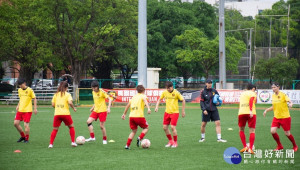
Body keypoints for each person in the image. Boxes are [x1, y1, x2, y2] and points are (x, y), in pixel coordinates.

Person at [263, 82, 298, 152]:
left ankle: (295, 145)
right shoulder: (273, 96)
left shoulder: (283, 95)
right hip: (276, 117)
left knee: (287, 133)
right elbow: (273, 106)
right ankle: (280, 146)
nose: (273, 89)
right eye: (272, 87)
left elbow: (290, 101)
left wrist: (290, 104)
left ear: (278, 87)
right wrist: (266, 110)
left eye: (274, 87)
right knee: (272, 131)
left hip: (285, 117)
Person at [155, 81, 186, 148]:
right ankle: (170, 141)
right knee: (165, 128)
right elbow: (159, 99)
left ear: (172, 87)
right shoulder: (165, 92)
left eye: (168, 88)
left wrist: (183, 111)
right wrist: (157, 107)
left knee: (172, 127)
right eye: (166, 88)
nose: (167, 90)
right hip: (167, 112)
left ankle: (175, 142)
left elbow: (183, 100)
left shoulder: (176, 92)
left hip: (175, 112)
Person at [122, 85, 151, 149]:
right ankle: (140, 137)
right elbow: (145, 100)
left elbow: (127, 105)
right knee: (146, 128)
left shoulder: (133, 97)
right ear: (143, 90)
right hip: (139, 116)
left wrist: (124, 114)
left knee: (133, 131)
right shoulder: (143, 96)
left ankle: (127, 145)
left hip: (131, 117)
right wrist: (148, 108)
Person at [48, 81, 77, 148]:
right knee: (71, 127)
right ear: (66, 88)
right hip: (65, 114)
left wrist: (57, 108)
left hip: (57, 114)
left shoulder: (56, 95)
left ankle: (51, 144)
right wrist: (74, 108)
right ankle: (73, 142)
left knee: (55, 129)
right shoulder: (67, 94)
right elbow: (70, 102)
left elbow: (53, 104)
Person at [14, 78, 38, 143]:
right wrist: (18, 106)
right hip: (20, 110)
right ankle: (23, 136)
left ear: (24, 83)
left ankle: (26, 139)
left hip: (27, 110)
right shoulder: (19, 90)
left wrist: (35, 108)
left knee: (26, 125)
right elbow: (21, 99)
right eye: (19, 85)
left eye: (21, 85)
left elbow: (34, 98)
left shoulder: (30, 90)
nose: (20, 86)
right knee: (15, 123)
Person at [238, 83, 257, 154]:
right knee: (252, 131)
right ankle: (250, 148)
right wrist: (251, 110)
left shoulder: (242, 93)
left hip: (241, 112)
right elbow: (251, 100)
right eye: (254, 89)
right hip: (251, 113)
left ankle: (245, 146)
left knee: (241, 129)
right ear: (252, 89)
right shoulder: (252, 93)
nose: (254, 91)